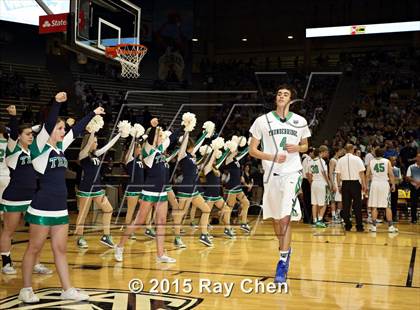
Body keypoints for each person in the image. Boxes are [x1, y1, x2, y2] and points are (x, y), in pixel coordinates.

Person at [19, 92, 103, 303]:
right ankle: (26, 289)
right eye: (60, 128)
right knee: (34, 248)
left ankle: (67, 289)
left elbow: (76, 130)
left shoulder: (60, 148)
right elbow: (48, 124)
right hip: (42, 207)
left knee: (61, 249)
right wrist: (56, 104)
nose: (63, 130)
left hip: (60, 207)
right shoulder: (39, 148)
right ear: (50, 131)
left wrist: (92, 113)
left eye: (63, 128)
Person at [249, 84, 310, 283]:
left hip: (292, 173)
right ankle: (286, 249)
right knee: (276, 220)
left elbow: (306, 146)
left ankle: (282, 262)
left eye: (286, 94)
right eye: (279, 93)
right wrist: (271, 156)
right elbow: (252, 150)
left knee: (285, 218)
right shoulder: (262, 120)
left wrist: (298, 148)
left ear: (291, 100)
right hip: (271, 174)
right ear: (276, 98)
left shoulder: (300, 121)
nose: (281, 96)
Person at [114, 118, 176, 263]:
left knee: (161, 222)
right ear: (153, 137)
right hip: (150, 191)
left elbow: (172, 138)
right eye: (159, 136)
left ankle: (160, 255)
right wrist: (153, 127)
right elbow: (152, 140)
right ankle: (120, 246)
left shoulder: (161, 151)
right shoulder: (147, 150)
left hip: (162, 191)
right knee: (139, 221)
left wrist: (186, 127)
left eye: (162, 135)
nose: (162, 137)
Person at [1, 106, 52, 276]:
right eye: (28, 134)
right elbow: (13, 133)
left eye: (32, 134)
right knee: (9, 231)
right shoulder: (13, 149)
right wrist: (14, 117)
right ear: (19, 136)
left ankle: (36, 263)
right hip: (14, 197)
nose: (31, 136)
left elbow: (42, 131)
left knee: (36, 233)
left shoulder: (32, 151)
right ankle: (7, 263)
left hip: (32, 197)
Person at [73, 125, 122, 249]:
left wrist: (119, 134)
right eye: (94, 142)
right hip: (86, 189)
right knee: (83, 214)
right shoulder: (83, 154)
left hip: (98, 188)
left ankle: (106, 236)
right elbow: (88, 143)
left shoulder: (96, 154)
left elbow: (108, 146)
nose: (96, 143)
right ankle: (80, 238)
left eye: (96, 141)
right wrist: (93, 129)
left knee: (108, 209)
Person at [335, 144, 367, 232]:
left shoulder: (340, 160)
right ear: (353, 149)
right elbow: (361, 173)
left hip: (345, 184)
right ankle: (359, 226)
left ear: (345, 150)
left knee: (346, 206)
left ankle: (347, 225)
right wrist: (364, 185)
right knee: (357, 206)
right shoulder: (357, 159)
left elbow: (338, 174)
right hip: (355, 184)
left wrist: (338, 185)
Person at [366, 147, 398, 233]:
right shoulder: (387, 161)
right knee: (387, 206)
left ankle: (373, 227)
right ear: (383, 154)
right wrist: (393, 184)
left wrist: (366, 186)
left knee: (374, 206)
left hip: (375, 184)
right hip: (384, 184)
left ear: (375, 154)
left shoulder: (371, 162)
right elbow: (391, 174)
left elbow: (367, 175)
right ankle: (391, 227)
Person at [307, 146, 331, 228]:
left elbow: (309, 175)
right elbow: (324, 173)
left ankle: (314, 220)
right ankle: (320, 220)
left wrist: (311, 183)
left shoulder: (311, 161)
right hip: (321, 183)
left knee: (314, 203)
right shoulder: (321, 161)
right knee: (324, 203)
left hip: (314, 183)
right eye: (326, 152)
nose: (327, 154)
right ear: (322, 152)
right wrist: (329, 183)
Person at [329, 148, 345, 223]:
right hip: (334, 180)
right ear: (337, 151)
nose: (342, 152)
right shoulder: (332, 160)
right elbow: (330, 173)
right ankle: (333, 216)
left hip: (339, 180)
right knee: (333, 200)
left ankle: (338, 214)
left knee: (340, 200)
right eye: (341, 151)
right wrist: (332, 184)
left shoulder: (339, 160)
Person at [406, 153, 420, 224]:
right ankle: (414, 219)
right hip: (414, 187)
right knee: (413, 203)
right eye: (418, 157)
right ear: (416, 158)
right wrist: (416, 182)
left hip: (418, 186)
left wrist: (419, 183)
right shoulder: (411, 167)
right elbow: (408, 177)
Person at [389, 156, 402, 222]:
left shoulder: (397, 169)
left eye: (395, 160)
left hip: (395, 187)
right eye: (393, 160)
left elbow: (400, 179)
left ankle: (394, 216)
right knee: (388, 202)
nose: (395, 161)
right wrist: (394, 180)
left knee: (394, 202)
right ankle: (387, 217)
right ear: (389, 161)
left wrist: (395, 180)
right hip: (388, 187)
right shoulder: (387, 168)